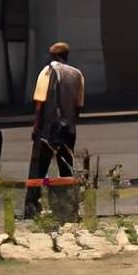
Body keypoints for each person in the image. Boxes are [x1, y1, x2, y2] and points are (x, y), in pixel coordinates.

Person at [24, 39, 84, 217]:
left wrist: (36, 126)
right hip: (68, 129)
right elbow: (78, 104)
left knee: (38, 169)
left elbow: (40, 102)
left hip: (48, 129)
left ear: (54, 55)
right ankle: (67, 209)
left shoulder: (47, 71)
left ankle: (32, 209)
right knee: (66, 169)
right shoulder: (77, 74)